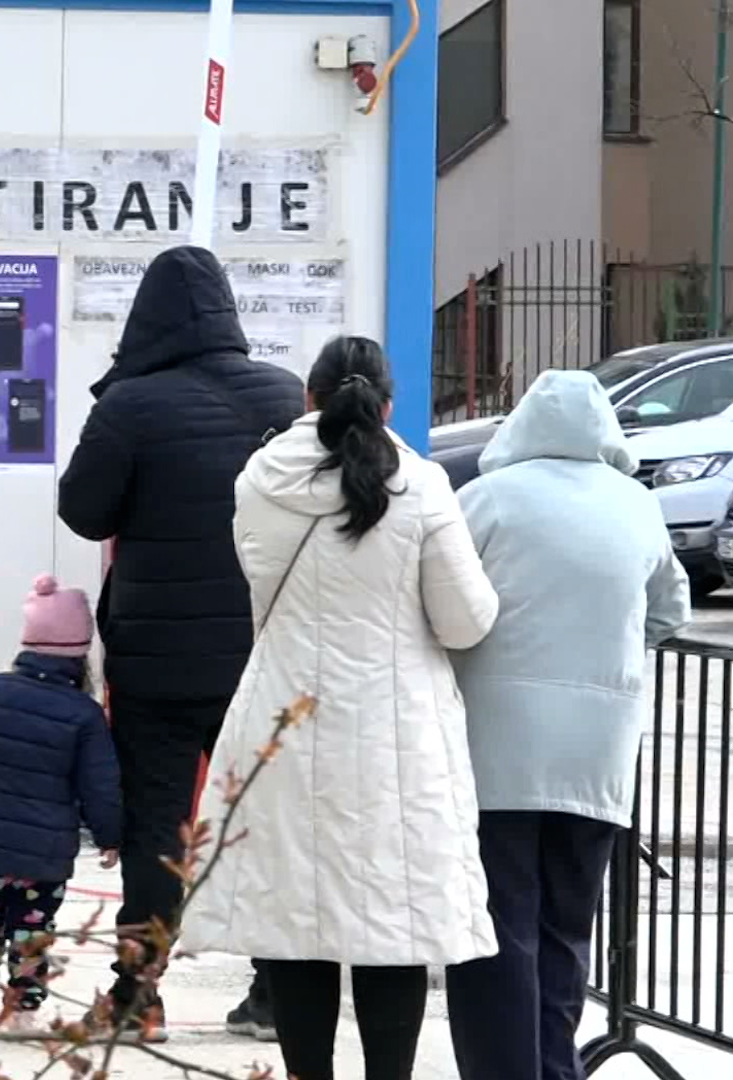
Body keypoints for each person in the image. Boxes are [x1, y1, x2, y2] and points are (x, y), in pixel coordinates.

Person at [179, 336, 501, 1080]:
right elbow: (465, 620)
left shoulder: (258, 482)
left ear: (308, 400)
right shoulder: (420, 486)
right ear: (389, 404)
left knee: (297, 921)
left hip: (282, 723)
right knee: (396, 920)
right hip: (397, 737)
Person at [56, 244, 302, 1037]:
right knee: (264, 815)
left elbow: (84, 512)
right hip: (266, 649)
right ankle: (275, 991)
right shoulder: (286, 394)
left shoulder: (130, 405)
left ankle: (138, 996)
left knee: (158, 821)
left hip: (157, 660)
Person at [444, 370, 691, 1080]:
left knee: (497, 926)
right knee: (566, 928)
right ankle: (556, 1066)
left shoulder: (485, 500)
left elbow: (446, 601)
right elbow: (670, 609)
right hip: (598, 752)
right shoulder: (637, 505)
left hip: (496, 749)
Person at [0, 575, 123, 1021]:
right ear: (81, 655)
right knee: (33, 927)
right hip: (46, 850)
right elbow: (99, 783)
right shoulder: (84, 713)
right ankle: (23, 1007)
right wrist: (109, 835)